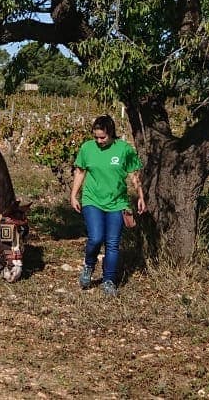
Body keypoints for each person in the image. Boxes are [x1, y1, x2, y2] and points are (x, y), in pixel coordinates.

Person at [69, 115, 146, 295]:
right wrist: (74, 195)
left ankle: (109, 280)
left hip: (117, 202)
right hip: (92, 200)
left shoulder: (124, 150)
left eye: (102, 137)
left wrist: (141, 196)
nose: (99, 140)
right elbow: (80, 172)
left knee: (112, 243)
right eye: (96, 137)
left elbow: (134, 176)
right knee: (96, 238)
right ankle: (89, 265)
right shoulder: (87, 148)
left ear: (111, 133)